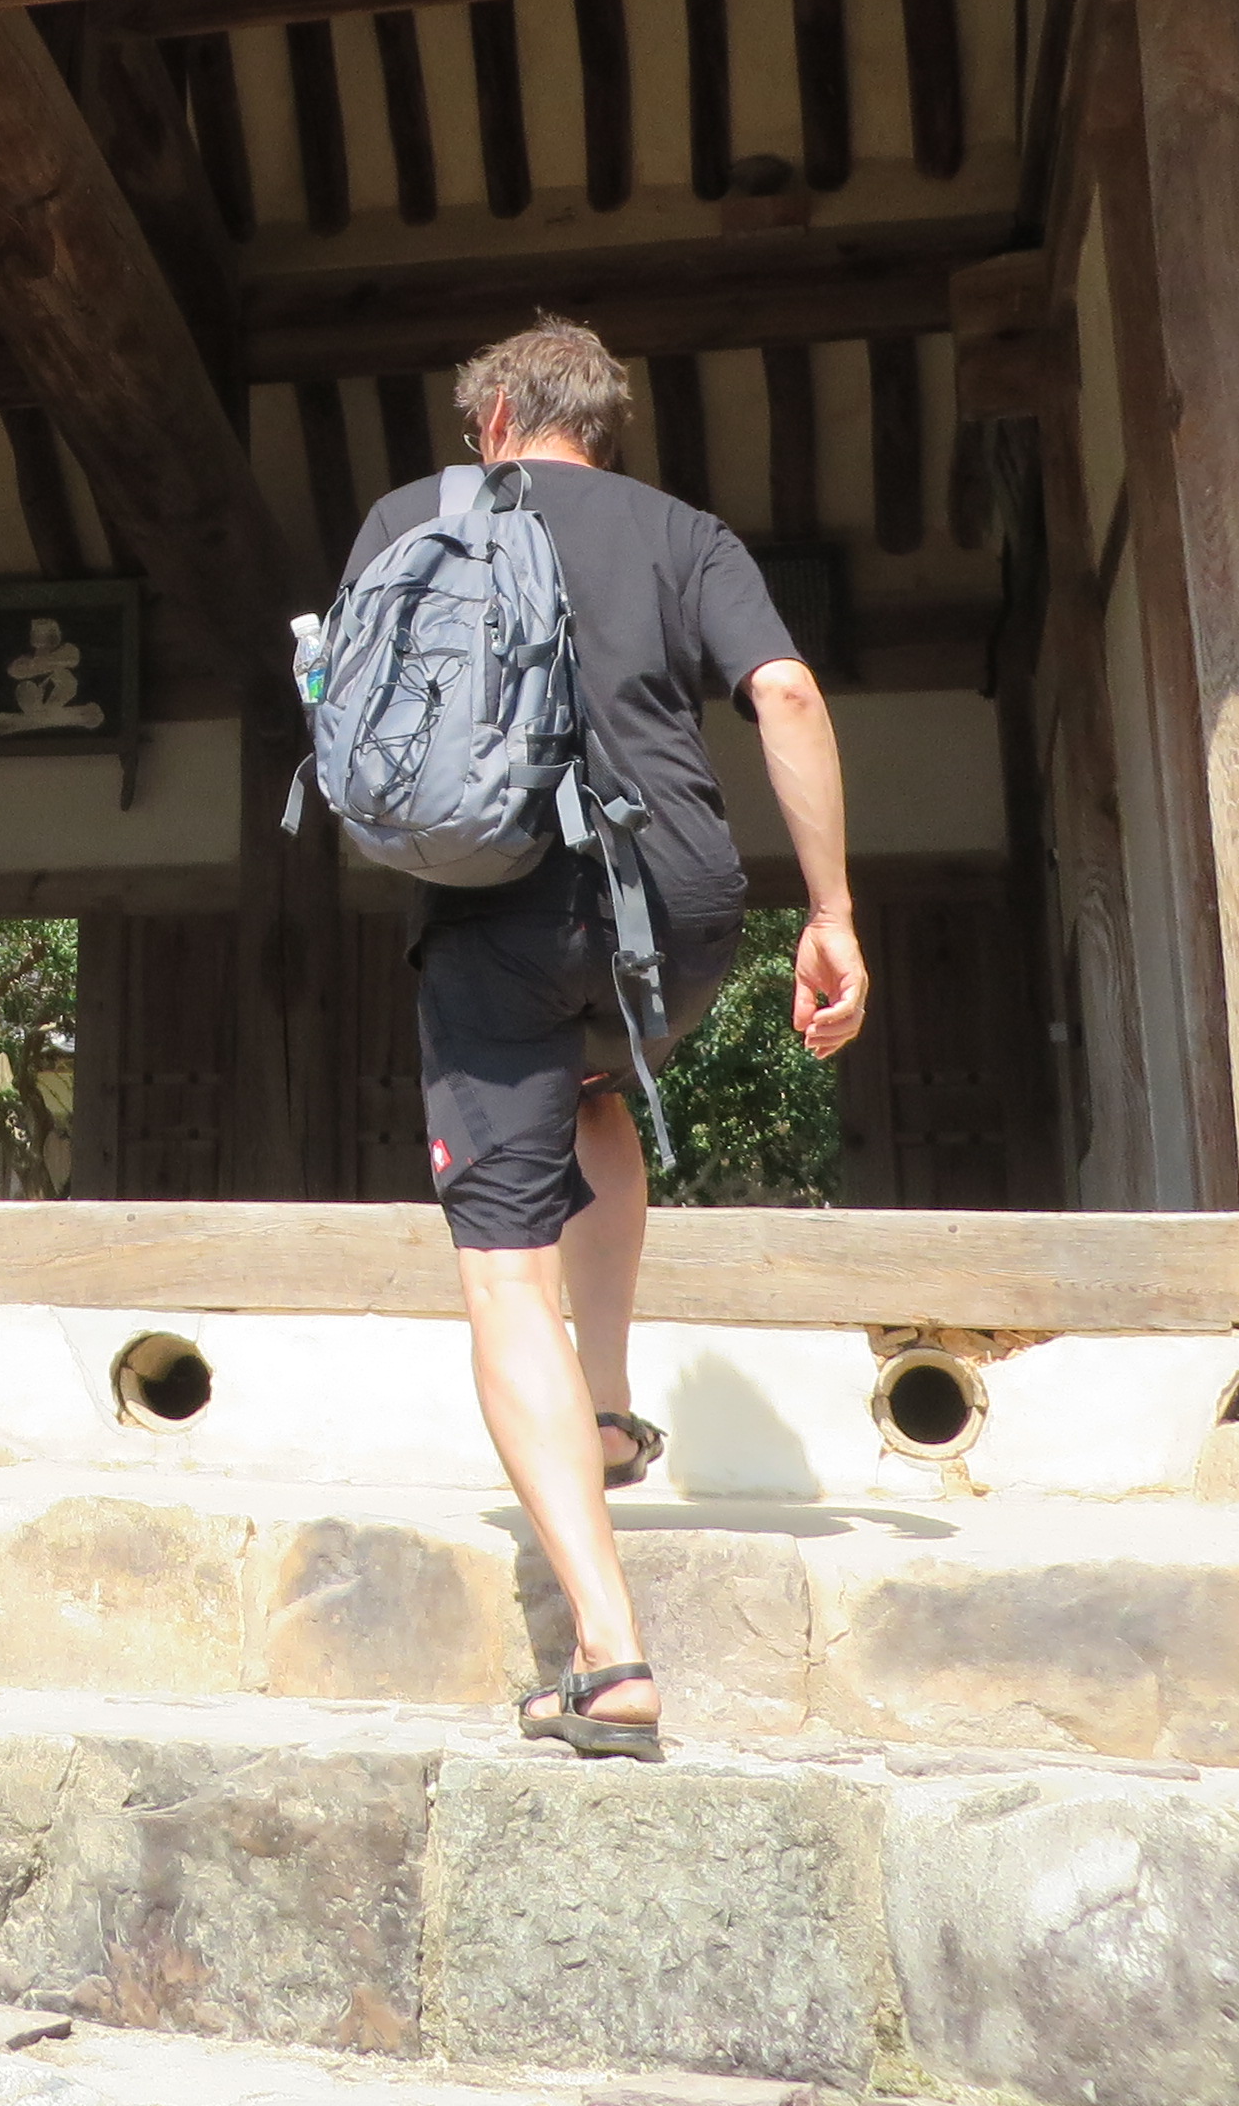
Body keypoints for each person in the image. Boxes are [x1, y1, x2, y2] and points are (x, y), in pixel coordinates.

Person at [335, 316, 869, 1761]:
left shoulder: (409, 518)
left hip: (493, 904)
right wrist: (831, 912)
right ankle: (615, 1412)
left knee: (505, 1269)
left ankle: (609, 1653)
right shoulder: (684, 534)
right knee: (596, 1091)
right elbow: (786, 692)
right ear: (599, 427)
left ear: (496, 418)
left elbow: (352, 715)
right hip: (676, 906)